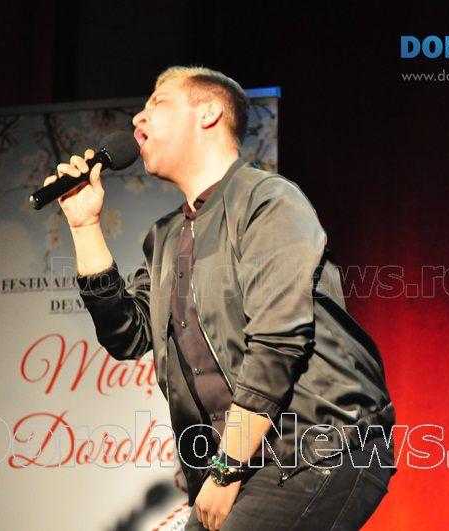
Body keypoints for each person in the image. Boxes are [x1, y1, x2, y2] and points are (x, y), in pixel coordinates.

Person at [44, 65, 396, 530]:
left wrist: (227, 468)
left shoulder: (268, 200)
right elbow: (125, 335)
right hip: (238, 459)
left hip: (318, 446)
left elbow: (278, 341)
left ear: (208, 112)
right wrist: (85, 226)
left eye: (157, 102)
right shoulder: (166, 237)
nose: (137, 118)